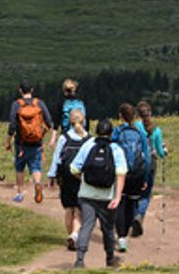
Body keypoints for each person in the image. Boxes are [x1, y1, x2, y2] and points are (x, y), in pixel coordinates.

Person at [73, 117, 128, 268]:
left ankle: (80, 259)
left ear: (96, 131)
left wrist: (84, 179)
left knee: (87, 226)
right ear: (111, 133)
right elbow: (121, 173)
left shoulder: (88, 146)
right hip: (107, 196)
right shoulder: (116, 149)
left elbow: (74, 168)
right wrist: (117, 196)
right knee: (108, 229)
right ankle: (110, 258)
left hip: (86, 195)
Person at [111, 103, 153, 251]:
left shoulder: (117, 132)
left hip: (121, 172)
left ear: (120, 116)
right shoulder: (140, 133)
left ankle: (121, 237)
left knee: (120, 203)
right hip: (137, 174)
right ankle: (126, 235)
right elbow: (147, 158)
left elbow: (112, 152)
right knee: (132, 204)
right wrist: (146, 177)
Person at [50, 104, 91, 250]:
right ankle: (75, 234)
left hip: (66, 178)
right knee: (79, 209)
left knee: (68, 208)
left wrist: (52, 175)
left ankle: (70, 235)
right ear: (84, 121)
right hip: (82, 178)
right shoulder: (89, 139)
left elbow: (57, 158)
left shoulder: (64, 138)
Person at [7, 81, 54, 203]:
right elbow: (49, 122)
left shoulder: (16, 105)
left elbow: (12, 126)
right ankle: (38, 184)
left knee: (19, 167)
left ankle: (19, 193)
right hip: (36, 142)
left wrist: (8, 141)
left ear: (20, 90)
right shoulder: (39, 104)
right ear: (32, 90)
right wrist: (42, 134)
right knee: (36, 167)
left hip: (21, 143)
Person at [134, 100, 167, 231]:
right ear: (150, 113)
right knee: (146, 194)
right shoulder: (156, 130)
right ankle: (139, 215)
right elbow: (160, 152)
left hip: (137, 162)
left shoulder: (136, 126)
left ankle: (133, 215)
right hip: (151, 162)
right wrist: (165, 151)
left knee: (135, 191)